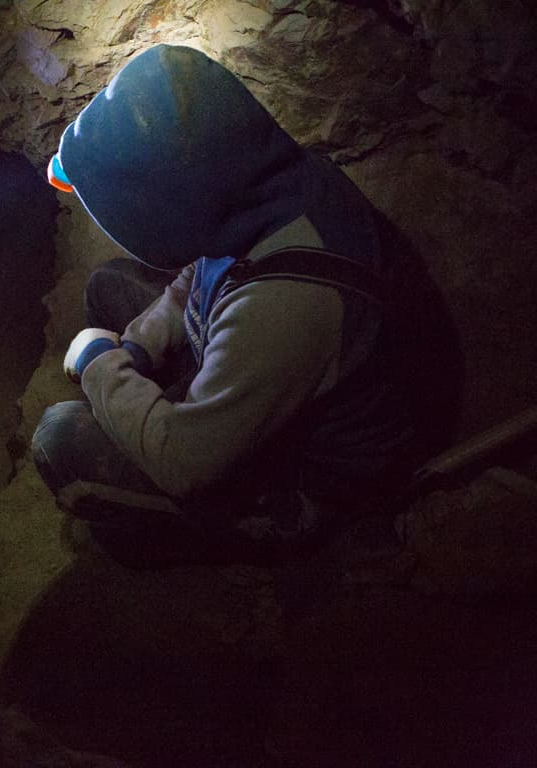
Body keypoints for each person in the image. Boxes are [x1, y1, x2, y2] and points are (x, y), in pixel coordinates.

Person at [32, 44, 433, 554]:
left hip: (303, 477)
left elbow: (185, 463)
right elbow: (202, 271)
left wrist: (98, 364)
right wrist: (135, 350)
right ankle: (182, 405)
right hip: (269, 369)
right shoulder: (264, 184)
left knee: (61, 440)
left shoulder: (287, 308)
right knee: (107, 286)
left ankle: (216, 537)